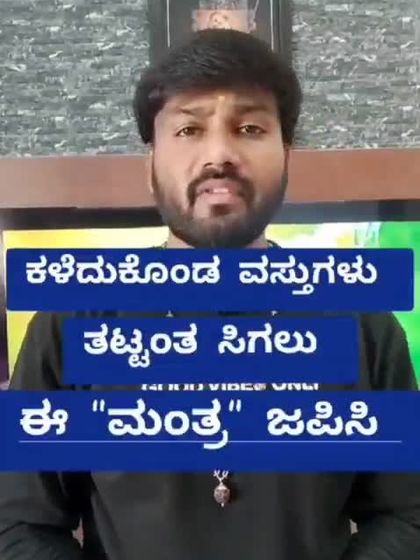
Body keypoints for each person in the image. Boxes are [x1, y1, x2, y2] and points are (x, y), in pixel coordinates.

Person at [0, 28, 419, 560]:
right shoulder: (71, 320)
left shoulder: (363, 321)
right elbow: (20, 525)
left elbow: (407, 514)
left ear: (286, 155)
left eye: (249, 128)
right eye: (188, 130)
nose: (219, 154)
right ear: (150, 165)